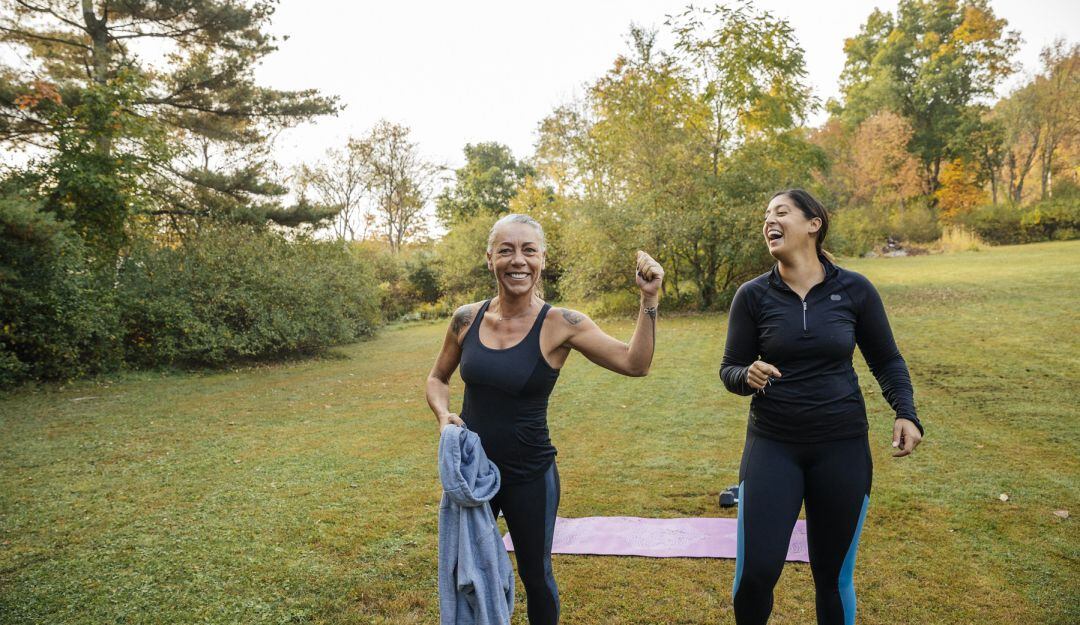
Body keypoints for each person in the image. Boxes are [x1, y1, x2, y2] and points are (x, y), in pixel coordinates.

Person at [426, 213, 664, 625]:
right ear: (489, 259)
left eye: (528, 250)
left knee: (536, 577)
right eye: (506, 250)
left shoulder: (561, 324)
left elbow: (634, 363)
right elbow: (437, 378)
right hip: (473, 473)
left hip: (529, 473)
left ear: (542, 259)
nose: (518, 260)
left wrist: (649, 300)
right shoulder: (466, 319)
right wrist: (444, 415)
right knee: (465, 568)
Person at [719, 189, 924, 625]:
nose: (769, 221)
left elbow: (887, 359)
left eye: (781, 212)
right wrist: (745, 375)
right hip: (773, 447)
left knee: (832, 578)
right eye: (766, 216)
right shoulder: (752, 296)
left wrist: (905, 411)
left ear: (814, 223)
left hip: (842, 447)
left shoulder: (854, 289)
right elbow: (730, 368)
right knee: (756, 575)